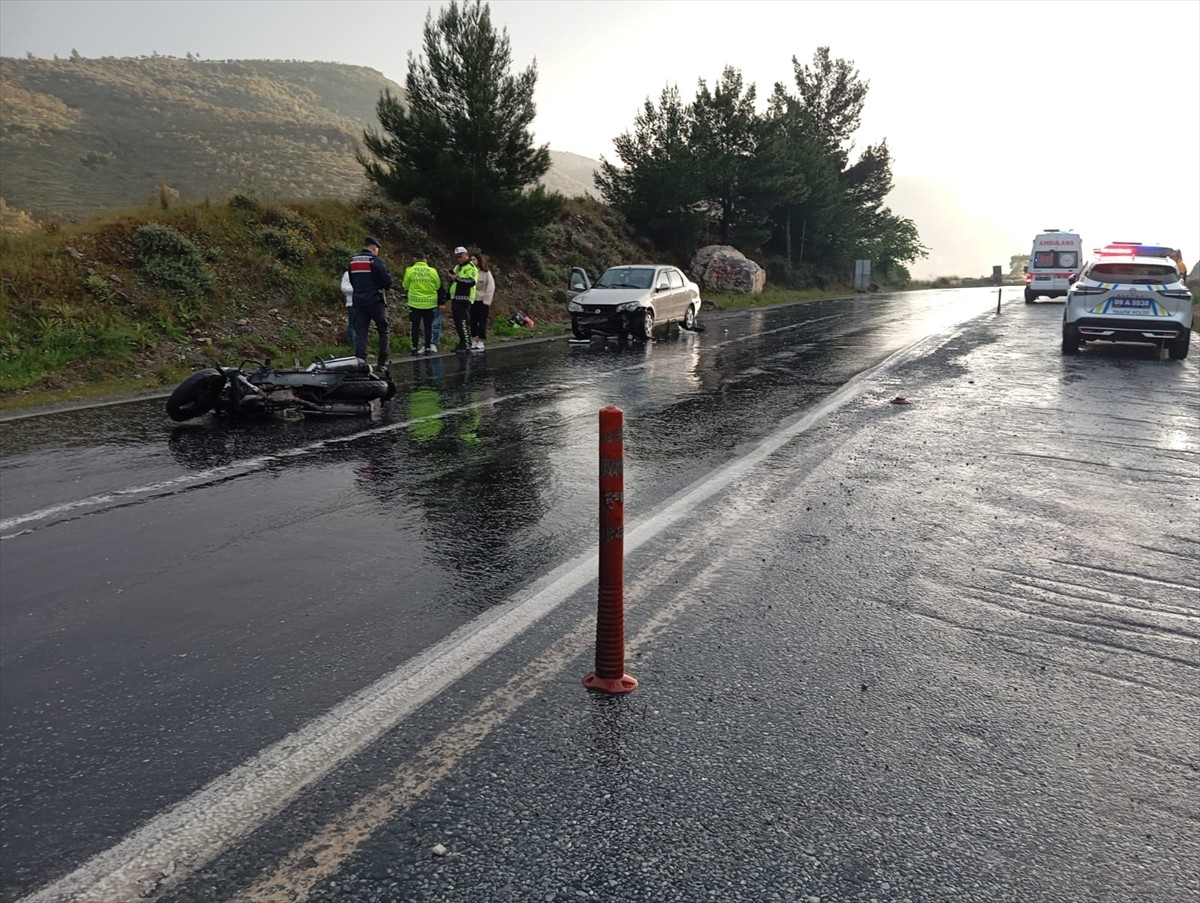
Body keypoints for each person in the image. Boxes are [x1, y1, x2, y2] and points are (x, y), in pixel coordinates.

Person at [348, 236, 394, 371]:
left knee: (361, 334)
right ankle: (381, 363)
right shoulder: (376, 261)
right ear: (374, 248)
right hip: (375, 302)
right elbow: (388, 283)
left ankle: (360, 363)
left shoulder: (353, 262)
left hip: (358, 302)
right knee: (383, 330)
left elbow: (352, 281)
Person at [402, 250, 442, 355]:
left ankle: (414, 348)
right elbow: (437, 285)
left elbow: (405, 285)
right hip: (430, 303)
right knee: (428, 326)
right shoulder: (433, 271)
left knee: (414, 327)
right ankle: (428, 347)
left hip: (415, 303)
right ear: (424, 259)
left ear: (415, 259)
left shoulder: (410, 270)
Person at [445, 245, 477, 354]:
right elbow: (453, 283)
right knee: (458, 323)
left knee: (463, 322)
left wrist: (457, 278)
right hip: (456, 299)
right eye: (457, 257)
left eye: (460, 256)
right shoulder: (457, 267)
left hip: (465, 299)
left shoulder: (471, 267)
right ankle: (462, 342)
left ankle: (467, 343)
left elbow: (471, 282)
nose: (458, 259)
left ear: (466, 255)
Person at [470, 253, 495, 351]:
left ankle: (481, 340)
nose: (472, 261)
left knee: (482, 321)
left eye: (474, 259)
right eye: (471, 260)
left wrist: (487, 300)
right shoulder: (470, 271)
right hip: (472, 300)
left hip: (482, 300)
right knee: (472, 321)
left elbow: (491, 286)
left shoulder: (485, 272)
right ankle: (474, 340)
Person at [339, 269, 355, 348]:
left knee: (362, 325)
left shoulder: (365, 272)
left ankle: (361, 347)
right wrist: (357, 289)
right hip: (352, 303)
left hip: (364, 303)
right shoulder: (348, 274)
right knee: (352, 325)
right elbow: (344, 288)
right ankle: (352, 346)